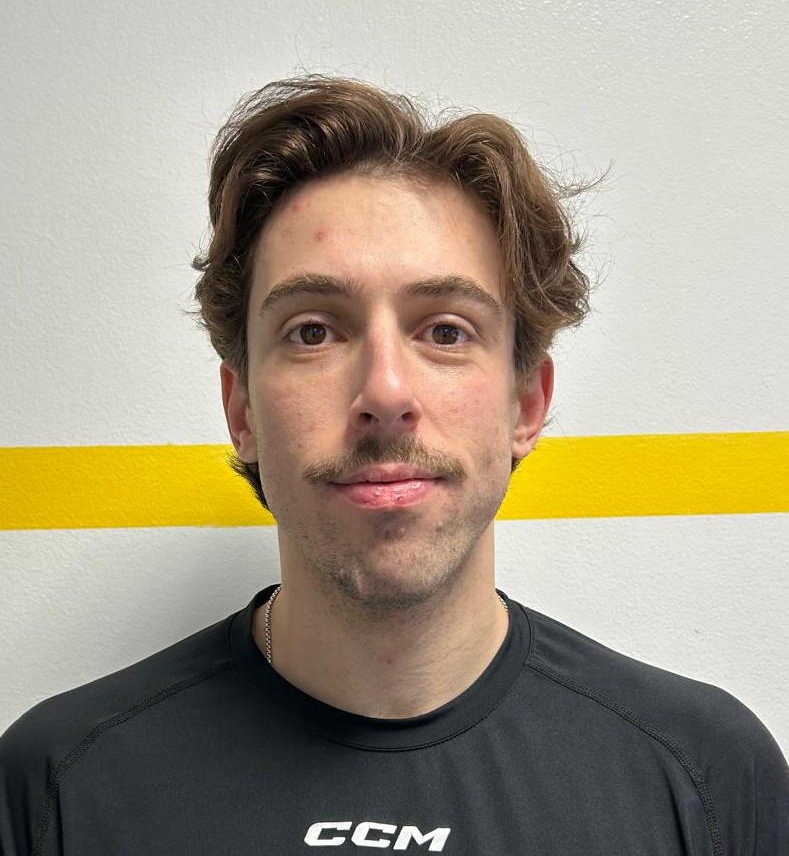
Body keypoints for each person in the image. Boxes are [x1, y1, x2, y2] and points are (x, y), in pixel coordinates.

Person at [1, 75, 787, 855]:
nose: (384, 392)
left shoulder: (709, 779)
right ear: (242, 411)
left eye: (445, 331)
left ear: (525, 403)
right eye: (313, 331)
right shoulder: (57, 790)